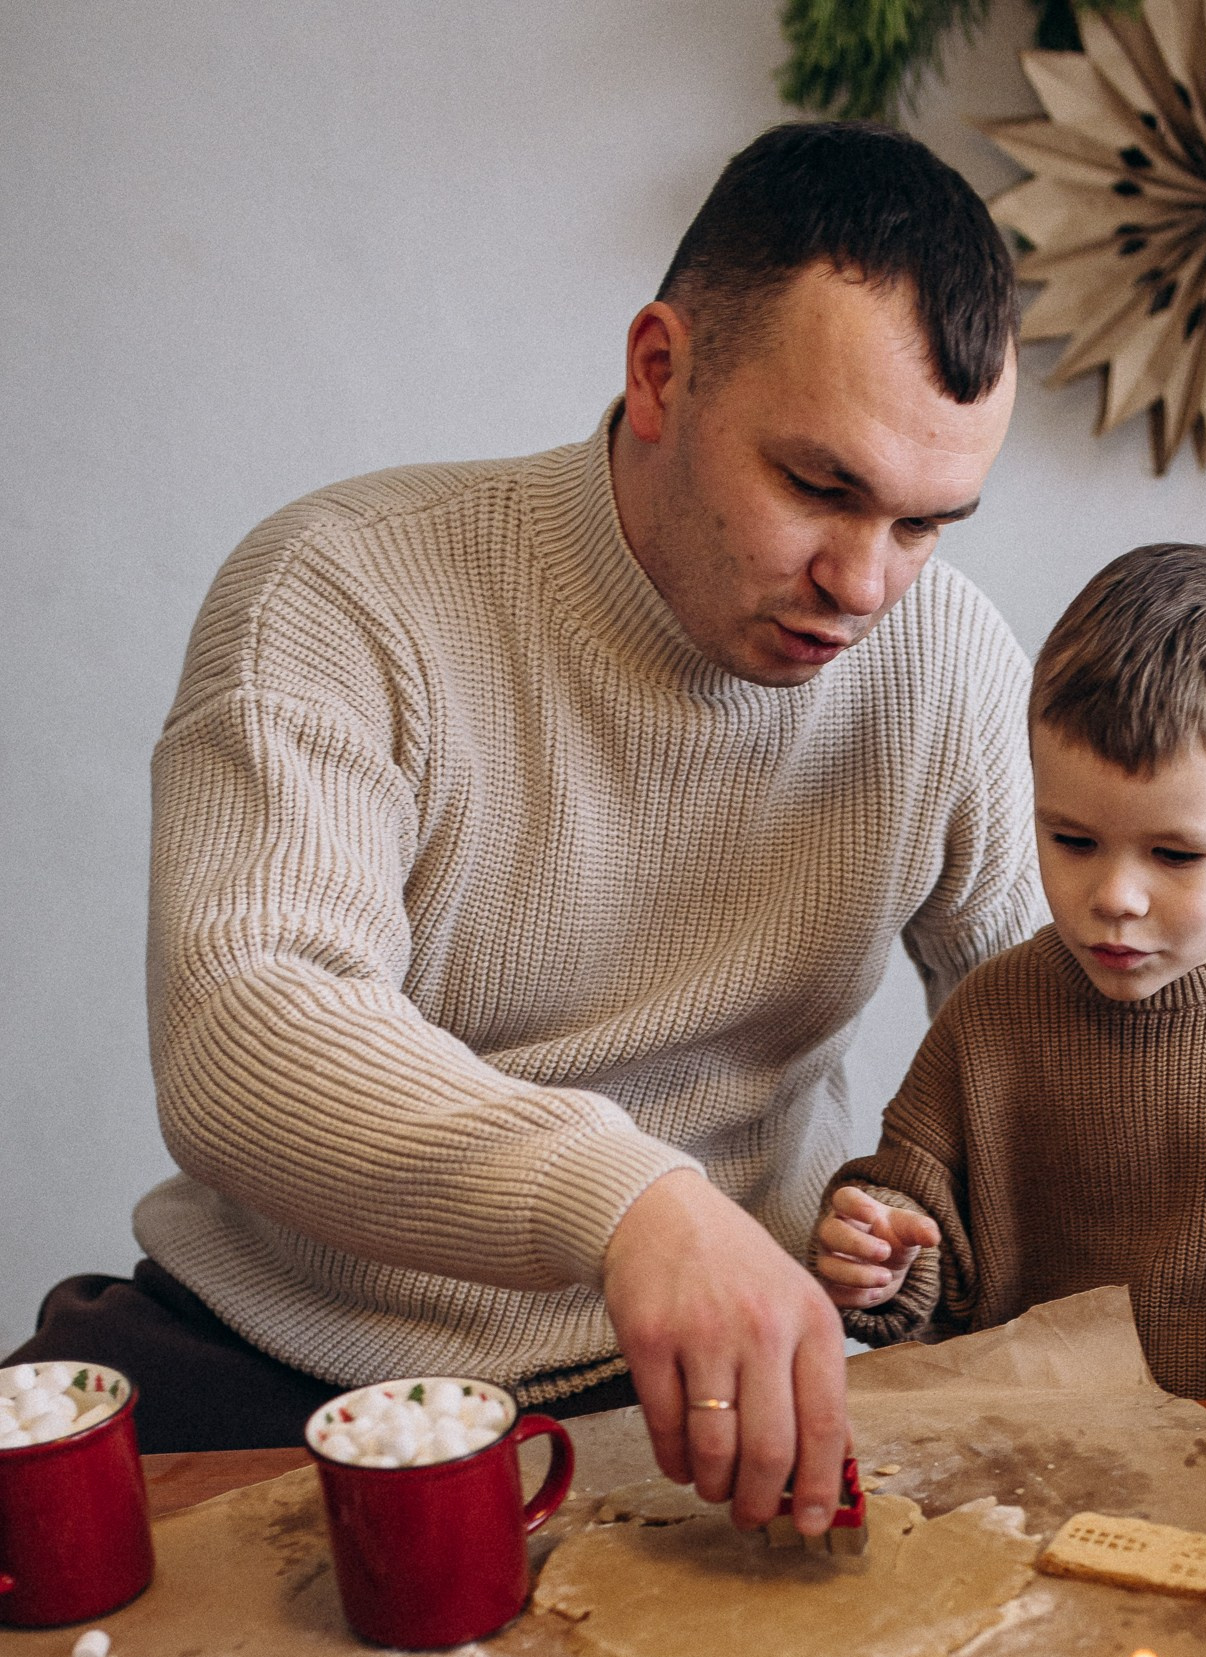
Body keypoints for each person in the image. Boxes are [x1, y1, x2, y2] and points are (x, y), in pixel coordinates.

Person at [12, 123, 1039, 1534]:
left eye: (929, 524)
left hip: (720, 1397)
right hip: (281, 1367)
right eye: (819, 486)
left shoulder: (952, 661)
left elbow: (1055, 1045)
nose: (865, 584)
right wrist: (632, 1206)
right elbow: (246, 1027)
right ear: (662, 372)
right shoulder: (343, 589)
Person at [809, 545, 1206, 1442]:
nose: (1116, 897)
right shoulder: (993, 1014)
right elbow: (919, 1220)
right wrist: (879, 1253)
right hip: (1028, 1467)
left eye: (1174, 855)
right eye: (1071, 840)